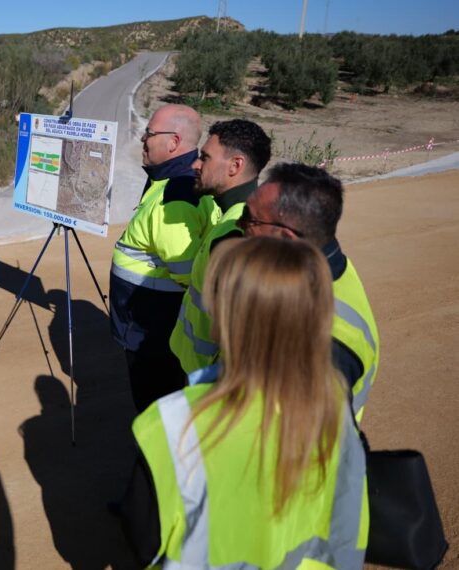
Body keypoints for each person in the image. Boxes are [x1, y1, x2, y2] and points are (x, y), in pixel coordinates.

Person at [118, 237, 368, 569]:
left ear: (226, 322)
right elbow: (350, 528)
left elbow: (144, 541)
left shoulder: (170, 424)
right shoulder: (335, 413)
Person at [242, 163, 379, 420]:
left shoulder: (326, 342)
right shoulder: (321, 266)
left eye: (250, 218)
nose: (240, 226)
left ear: (285, 238)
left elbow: (303, 443)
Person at [109, 104, 214, 412]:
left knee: (155, 409)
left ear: (173, 142)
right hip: (152, 325)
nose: (143, 138)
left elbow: (186, 272)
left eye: (150, 133)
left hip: (152, 331)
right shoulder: (173, 180)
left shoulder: (176, 195)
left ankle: (151, 459)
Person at [170, 119, 271, 375]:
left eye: (205, 158)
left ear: (235, 166)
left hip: (205, 385)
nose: (195, 164)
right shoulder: (231, 215)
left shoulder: (237, 234)